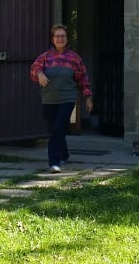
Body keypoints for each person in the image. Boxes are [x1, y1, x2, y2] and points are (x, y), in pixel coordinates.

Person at [29, 24, 92, 173]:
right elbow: (33, 69)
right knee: (54, 128)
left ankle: (54, 162)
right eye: (57, 36)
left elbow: (83, 78)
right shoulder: (45, 57)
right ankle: (64, 153)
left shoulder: (74, 58)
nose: (60, 38)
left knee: (58, 128)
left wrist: (88, 97)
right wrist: (39, 74)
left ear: (67, 38)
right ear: (53, 39)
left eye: (62, 36)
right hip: (49, 99)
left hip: (67, 99)